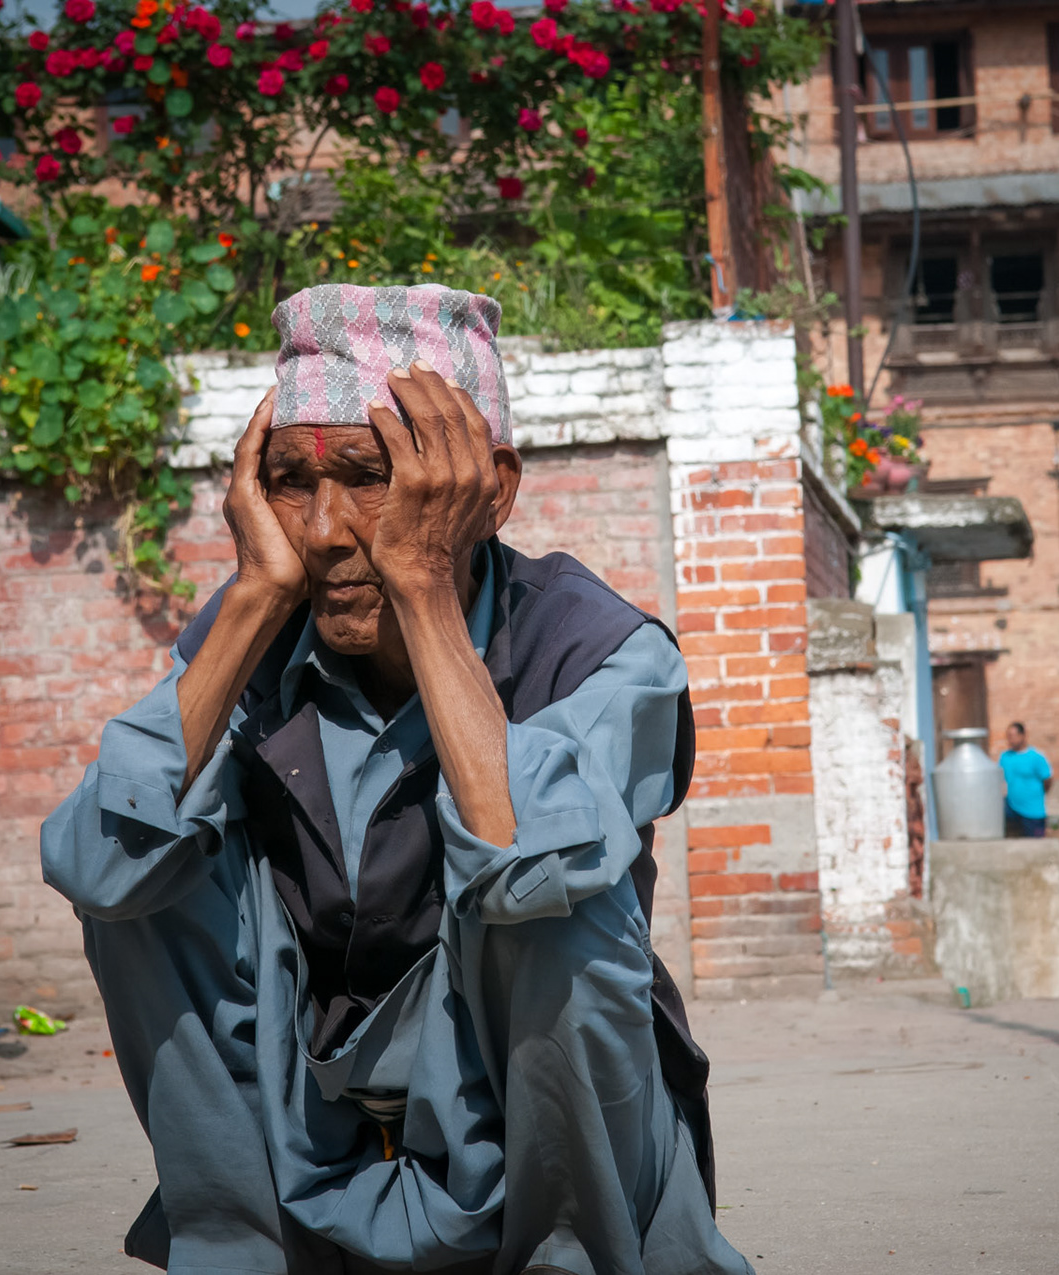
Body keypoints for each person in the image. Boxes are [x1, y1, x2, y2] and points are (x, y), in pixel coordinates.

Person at [41, 284, 750, 1275]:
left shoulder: (599, 651)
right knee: (147, 865)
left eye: (371, 476)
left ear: (491, 492)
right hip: (313, 1157)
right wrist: (250, 600)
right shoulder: (251, 641)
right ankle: (237, 1255)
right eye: (292, 480)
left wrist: (421, 585)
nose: (326, 529)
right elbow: (97, 870)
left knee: (556, 906)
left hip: (540, 1166)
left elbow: (525, 870)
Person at [1000, 721, 1053, 838]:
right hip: (1012, 809)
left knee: (1036, 846)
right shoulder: (1005, 757)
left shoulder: (1036, 757)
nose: (1011, 740)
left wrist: (1036, 794)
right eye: (1008, 737)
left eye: (1013, 736)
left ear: (1023, 735)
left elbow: (1047, 780)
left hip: (1033, 811)